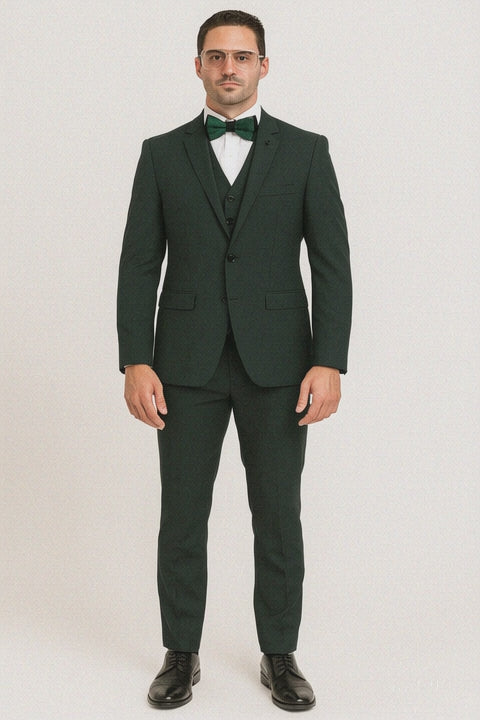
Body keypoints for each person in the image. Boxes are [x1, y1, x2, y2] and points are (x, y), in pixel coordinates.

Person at [117, 9, 352, 712]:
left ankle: (280, 654)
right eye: (216, 56)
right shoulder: (161, 154)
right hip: (182, 365)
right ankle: (179, 654)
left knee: (278, 514)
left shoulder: (307, 151)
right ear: (198, 66)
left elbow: (332, 265)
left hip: (280, 367)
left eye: (242, 56)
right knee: (181, 516)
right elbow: (138, 264)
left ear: (263, 66)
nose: (229, 68)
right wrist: (135, 359)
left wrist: (329, 360)